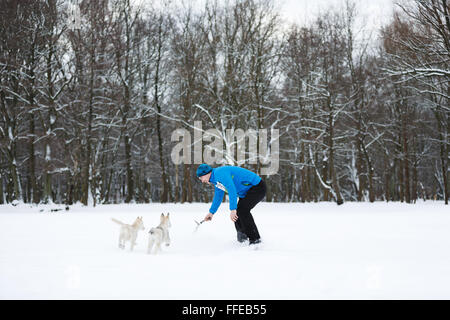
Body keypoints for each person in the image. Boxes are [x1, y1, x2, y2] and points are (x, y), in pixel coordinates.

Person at [196, 164, 266, 245]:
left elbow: (231, 189)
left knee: (242, 211)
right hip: (246, 192)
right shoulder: (215, 179)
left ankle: (255, 240)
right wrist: (211, 212)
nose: (201, 180)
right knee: (240, 211)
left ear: (206, 173)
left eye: (201, 177)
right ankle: (242, 238)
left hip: (257, 187)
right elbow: (218, 196)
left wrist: (233, 209)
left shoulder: (219, 173)